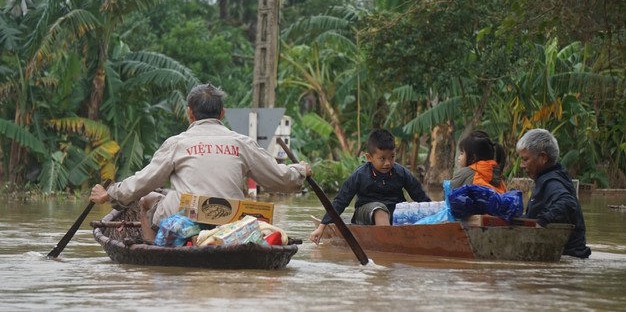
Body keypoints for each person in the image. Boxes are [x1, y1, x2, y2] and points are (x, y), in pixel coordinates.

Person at [90, 83, 311, 243]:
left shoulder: (177, 143)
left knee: (147, 199)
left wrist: (109, 194)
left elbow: (143, 181)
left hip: (185, 217)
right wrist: (300, 171)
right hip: (232, 220)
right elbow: (280, 179)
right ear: (222, 114)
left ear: (190, 114)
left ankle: (151, 246)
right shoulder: (242, 143)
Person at [309, 128, 430, 244]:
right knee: (380, 210)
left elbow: (421, 198)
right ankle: (388, 243)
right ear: (369, 157)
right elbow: (340, 201)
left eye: (392, 157)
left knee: (410, 209)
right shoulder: (360, 175)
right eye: (382, 158)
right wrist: (321, 227)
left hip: (393, 212)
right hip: (366, 213)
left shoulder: (401, 173)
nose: (388, 163)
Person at [516, 128, 591, 258]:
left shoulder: (551, 181)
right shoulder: (551, 177)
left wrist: (541, 222)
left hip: (567, 258)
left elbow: (567, 203)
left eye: (525, 159)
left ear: (543, 157)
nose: (522, 165)